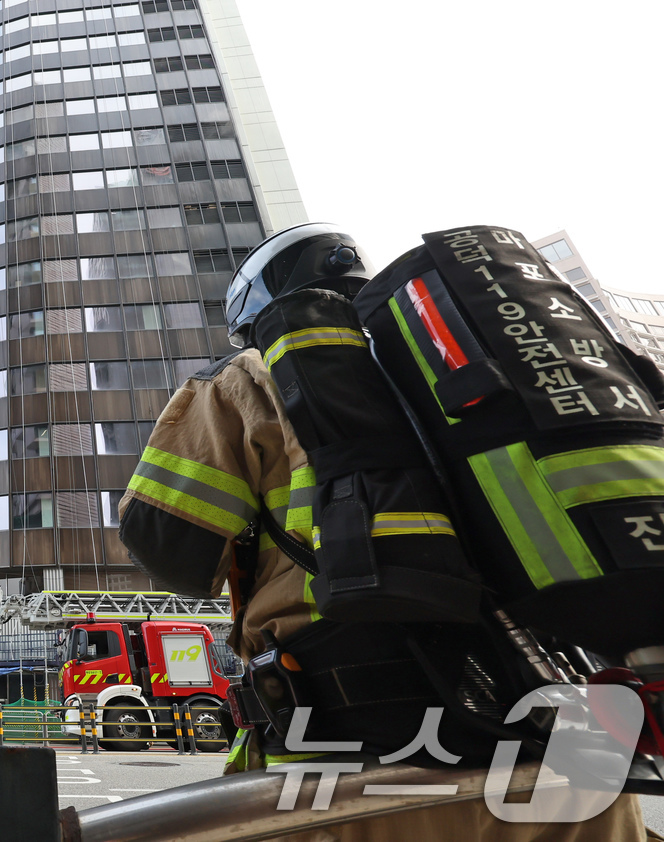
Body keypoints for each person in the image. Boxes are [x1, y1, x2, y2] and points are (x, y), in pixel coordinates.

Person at [118, 223, 651, 840]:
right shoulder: (485, 362)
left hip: (368, 761)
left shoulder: (244, 379)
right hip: (577, 745)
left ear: (254, 312)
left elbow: (170, 550)